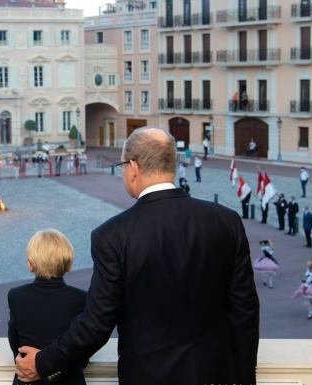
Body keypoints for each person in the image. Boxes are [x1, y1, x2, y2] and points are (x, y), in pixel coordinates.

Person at [15, 127, 259, 385]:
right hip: (216, 375)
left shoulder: (112, 235)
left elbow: (97, 324)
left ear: (133, 167)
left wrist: (43, 363)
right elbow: (245, 311)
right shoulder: (226, 221)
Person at [8, 229, 87, 385]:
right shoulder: (81, 298)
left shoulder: (16, 296)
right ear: (69, 265)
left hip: (27, 380)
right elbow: (82, 350)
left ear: (30, 265)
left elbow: (15, 343)